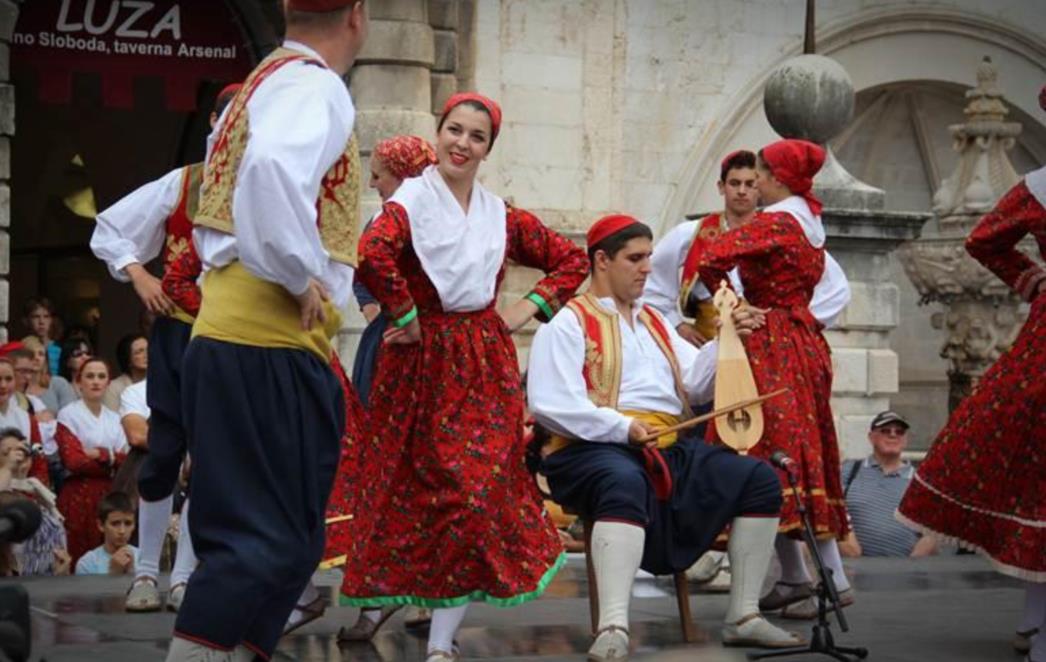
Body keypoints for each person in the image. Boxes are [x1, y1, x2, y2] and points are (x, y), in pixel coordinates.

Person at [338, 92, 589, 662]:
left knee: (472, 496)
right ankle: (383, 601)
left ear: (487, 149)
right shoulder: (410, 201)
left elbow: (570, 260)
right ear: (439, 133)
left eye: (477, 137)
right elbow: (371, 252)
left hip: (482, 364)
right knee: (409, 492)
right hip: (419, 365)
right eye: (454, 130)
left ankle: (441, 642)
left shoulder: (499, 213)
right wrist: (404, 315)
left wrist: (526, 309)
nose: (462, 144)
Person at [169, 1, 369, 659]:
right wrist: (298, 273)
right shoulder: (311, 85)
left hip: (254, 340)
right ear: (357, 15)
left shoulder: (268, 80)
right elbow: (270, 171)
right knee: (257, 543)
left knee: (290, 545)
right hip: (262, 337)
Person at [529, 214, 802, 659]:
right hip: (589, 448)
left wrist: (727, 340)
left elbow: (695, 385)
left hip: (664, 444)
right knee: (622, 480)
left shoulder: (655, 321)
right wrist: (622, 427)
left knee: (758, 479)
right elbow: (550, 404)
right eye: (635, 258)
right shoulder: (566, 323)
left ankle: (743, 616)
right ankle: (613, 627)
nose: (647, 268)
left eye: (649, 257)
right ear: (601, 261)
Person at [898, 92, 1046, 660]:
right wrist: (1032, 280)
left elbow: (985, 239)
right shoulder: (1038, 187)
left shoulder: (1039, 186)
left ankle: (1035, 621)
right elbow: (984, 240)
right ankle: (1038, 624)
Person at [91, 82, 241, 614]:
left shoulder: (266, 188)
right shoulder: (183, 183)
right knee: (163, 452)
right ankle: (145, 573)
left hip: (235, 336)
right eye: (231, 118)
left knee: (214, 459)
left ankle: (183, 577)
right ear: (214, 124)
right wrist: (138, 275)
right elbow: (110, 227)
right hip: (180, 333)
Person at [697, 139, 853, 620]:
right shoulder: (809, 224)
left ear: (778, 178)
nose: (756, 182)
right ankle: (800, 578)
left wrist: (735, 304)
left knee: (763, 448)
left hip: (771, 342)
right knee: (790, 449)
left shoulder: (777, 221)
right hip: (804, 343)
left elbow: (711, 256)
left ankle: (830, 577)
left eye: (761, 174)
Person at [646, 149, 850, 345]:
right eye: (735, 183)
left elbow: (836, 288)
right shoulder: (691, 233)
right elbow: (651, 281)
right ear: (721, 187)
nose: (742, 191)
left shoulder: (780, 233)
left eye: (750, 184)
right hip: (706, 341)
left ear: (759, 186)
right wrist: (677, 324)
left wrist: (794, 323)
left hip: (766, 340)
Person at [351, 134, 438, 407]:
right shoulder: (380, 222)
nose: (371, 184)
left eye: (378, 176)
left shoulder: (443, 219)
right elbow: (363, 266)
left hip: (435, 339)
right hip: (391, 336)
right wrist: (378, 313)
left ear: (404, 177)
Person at [55, 358, 129, 566]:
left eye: (101, 376)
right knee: (78, 555)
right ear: (79, 382)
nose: (96, 381)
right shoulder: (68, 414)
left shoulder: (115, 418)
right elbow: (74, 461)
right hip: (78, 495)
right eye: (90, 376)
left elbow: (126, 462)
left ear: (108, 382)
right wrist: (111, 459)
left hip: (110, 493)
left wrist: (100, 454)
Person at [838, 412, 936, 558]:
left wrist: (913, 564)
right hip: (853, 567)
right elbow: (831, 511)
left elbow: (932, 533)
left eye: (899, 432)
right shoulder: (849, 470)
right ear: (871, 437)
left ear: (905, 440)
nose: (893, 435)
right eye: (885, 430)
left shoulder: (920, 482)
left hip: (903, 569)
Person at [0, 428, 70, 576]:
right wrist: (8, 468)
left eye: (23, 453)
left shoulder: (43, 502)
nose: (18, 458)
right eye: (7, 453)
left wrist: (62, 574)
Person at [75, 491, 138, 575]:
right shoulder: (87, 564)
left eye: (128, 523)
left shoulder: (144, 559)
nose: (122, 531)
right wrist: (114, 573)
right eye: (115, 524)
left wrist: (131, 571)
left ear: (134, 525)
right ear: (101, 525)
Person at [20, 336, 77, 414]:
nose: (36, 358)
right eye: (31, 354)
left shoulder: (59, 383)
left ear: (45, 359)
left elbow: (72, 415)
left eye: (41, 354)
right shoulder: (16, 388)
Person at [102, 334, 148, 412]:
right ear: (127, 358)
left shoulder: (160, 383)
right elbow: (110, 417)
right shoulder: (114, 388)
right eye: (139, 352)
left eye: (148, 349)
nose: (146, 355)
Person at [22, 297, 62, 377]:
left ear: (51, 320)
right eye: (36, 317)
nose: (41, 322)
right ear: (26, 320)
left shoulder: (60, 349)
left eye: (46, 316)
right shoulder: (22, 347)